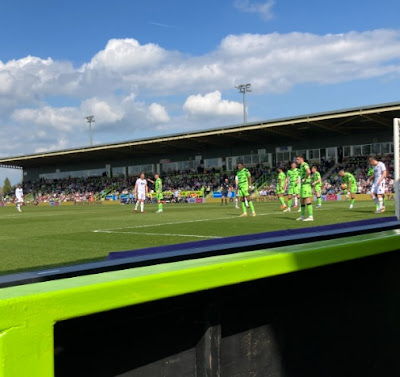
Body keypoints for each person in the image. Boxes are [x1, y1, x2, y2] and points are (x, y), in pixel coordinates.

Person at [296, 155, 314, 221]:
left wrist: (305, 179)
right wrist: (300, 180)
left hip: (306, 185)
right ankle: (302, 216)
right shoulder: (301, 166)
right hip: (302, 185)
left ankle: (311, 216)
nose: (296, 161)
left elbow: (309, 172)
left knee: (307, 199)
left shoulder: (304, 164)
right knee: (301, 201)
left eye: (298, 159)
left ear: (301, 159)